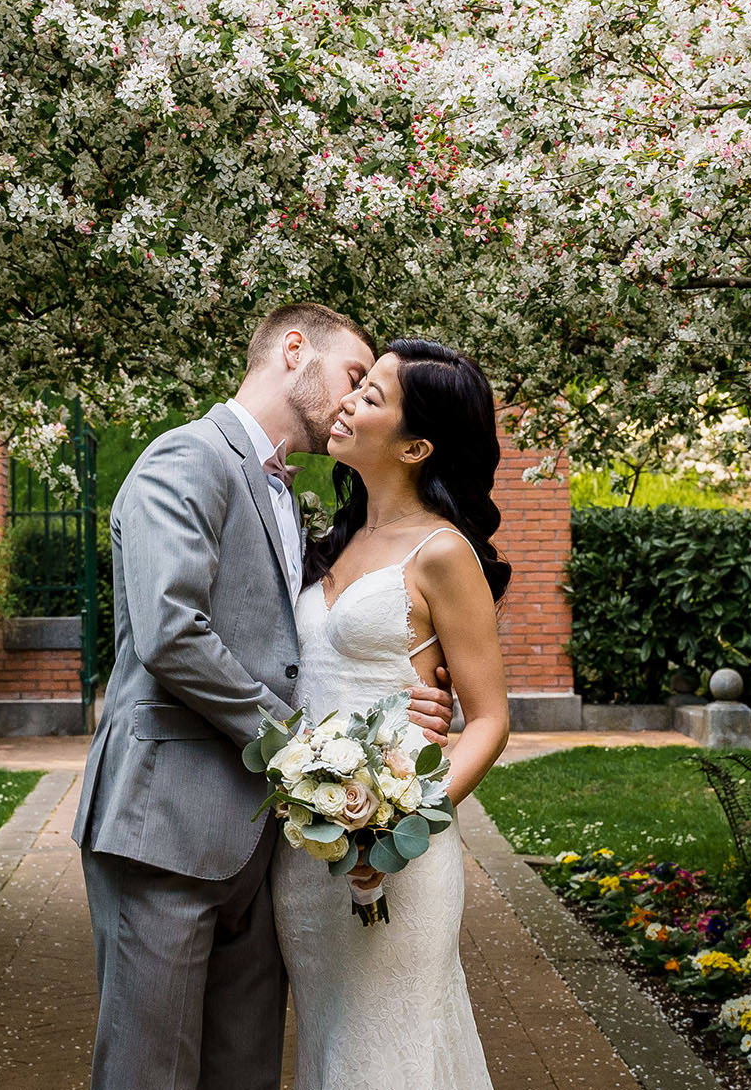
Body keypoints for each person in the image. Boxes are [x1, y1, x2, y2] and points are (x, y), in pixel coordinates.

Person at [73, 303, 459, 1090]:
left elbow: (307, 651)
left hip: (264, 846)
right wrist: (305, 748)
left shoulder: (288, 495)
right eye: (353, 375)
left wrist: (404, 704)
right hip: (165, 832)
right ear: (294, 351)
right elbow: (172, 632)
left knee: (244, 1074)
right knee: (148, 1074)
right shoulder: (183, 459)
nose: (354, 400)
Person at [271, 338, 513, 1090]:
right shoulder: (327, 541)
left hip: (398, 855)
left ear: (416, 445)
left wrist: (401, 822)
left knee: (389, 1054)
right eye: (358, 385)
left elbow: (490, 719)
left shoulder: (443, 553)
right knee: (330, 1049)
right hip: (306, 850)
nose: (345, 401)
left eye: (371, 396)